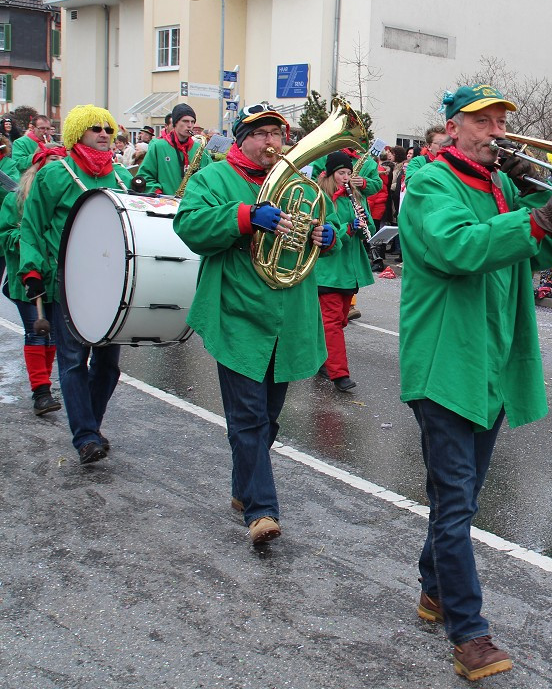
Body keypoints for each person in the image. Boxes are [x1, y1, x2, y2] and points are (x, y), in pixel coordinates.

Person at [399, 83, 552, 680]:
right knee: (455, 500)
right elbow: (459, 248)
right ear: (453, 126)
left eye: (502, 120)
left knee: (462, 496)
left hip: (492, 361)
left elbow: (537, 256)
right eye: (483, 121)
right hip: (446, 363)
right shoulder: (430, 184)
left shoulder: (503, 185)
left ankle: (435, 589)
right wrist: (536, 217)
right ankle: (469, 632)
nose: (497, 130)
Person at [174, 104, 336, 545]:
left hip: (287, 319)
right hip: (238, 313)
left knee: (267, 418)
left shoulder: (298, 184)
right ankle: (262, 511)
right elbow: (188, 225)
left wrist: (325, 236)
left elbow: (321, 228)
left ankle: (243, 487)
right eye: (261, 134)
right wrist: (245, 216)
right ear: (241, 138)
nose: (272, 143)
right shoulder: (214, 179)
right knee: (248, 417)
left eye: (277, 135)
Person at [17, 105, 134, 464]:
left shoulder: (120, 179)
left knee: (108, 366)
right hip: (67, 284)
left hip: (112, 286)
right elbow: (32, 226)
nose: (103, 133)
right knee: (72, 361)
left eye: (107, 128)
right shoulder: (55, 174)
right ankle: (85, 436)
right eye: (94, 128)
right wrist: (31, 270)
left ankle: (90, 427)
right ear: (76, 134)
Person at [0, 141, 66, 416]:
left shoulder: (63, 198)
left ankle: (45, 385)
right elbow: (5, 234)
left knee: (50, 334)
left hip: (56, 276)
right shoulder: (15, 199)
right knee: (36, 331)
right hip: (25, 276)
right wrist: (28, 238)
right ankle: (41, 391)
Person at [313, 150, 375, 392]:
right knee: (331, 323)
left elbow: (367, 223)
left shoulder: (355, 197)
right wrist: (347, 228)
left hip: (350, 271)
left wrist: (363, 226)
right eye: (341, 173)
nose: (346, 177)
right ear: (330, 174)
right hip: (329, 270)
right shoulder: (322, 198)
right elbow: (324, 230)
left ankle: (320, 359)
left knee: (339, 320)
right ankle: (339, 373)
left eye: (349, 173)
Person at [137, 104, 208, 195]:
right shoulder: (158, 146)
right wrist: (157, 192)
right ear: (175, 123)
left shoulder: (200, 148)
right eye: (185, 121)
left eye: (192, 122)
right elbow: (145, 176)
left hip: (192, 204)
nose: (190, 125)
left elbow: (209, 178)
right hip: (164, 203)